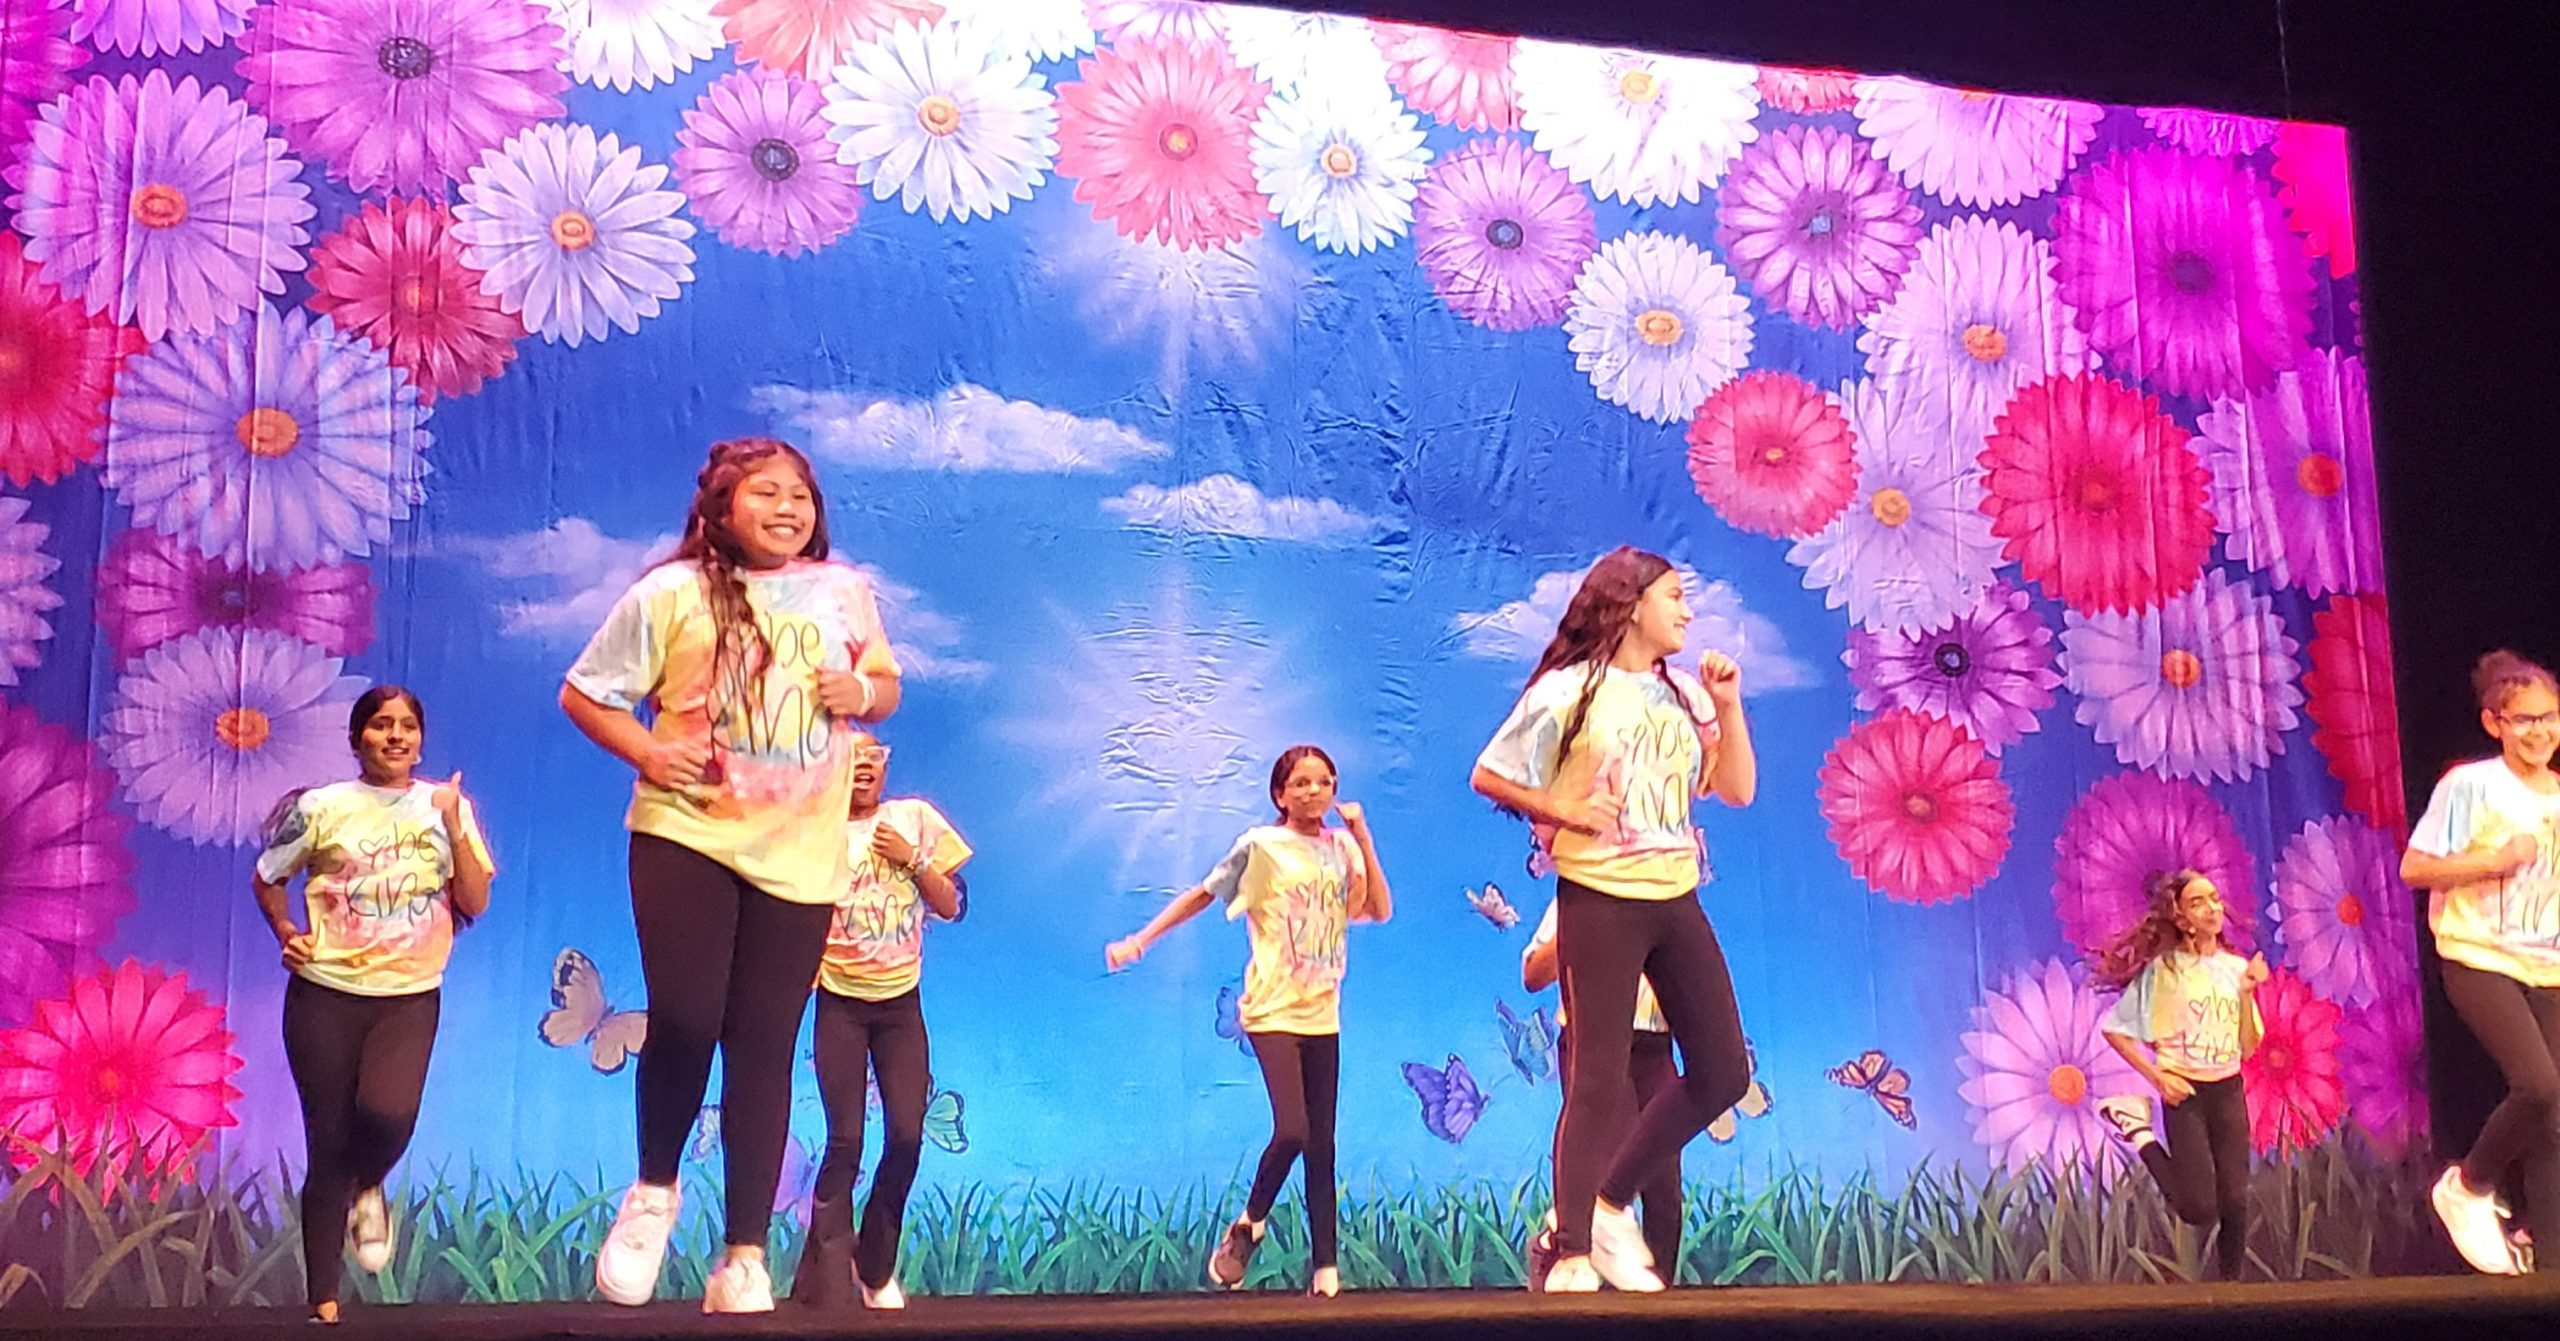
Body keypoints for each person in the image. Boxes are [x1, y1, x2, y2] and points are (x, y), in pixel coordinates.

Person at [561, 437, 900, 1312]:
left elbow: (884, 677)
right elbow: (586, 692)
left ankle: (743, 1251)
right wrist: (646, 748)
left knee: (764, 1043)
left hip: (800, 852)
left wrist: (859, 695)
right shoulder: (671, 593)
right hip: (689, 835)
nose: (788, 508)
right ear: (720, 507)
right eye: (765, 494)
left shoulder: (843, 591)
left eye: (800, 495)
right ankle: (653, 1194)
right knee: (686, 1015)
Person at [1469, 546, 1756, 1293]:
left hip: (1673, 891)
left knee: (1724, 1068)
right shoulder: (1572, 690)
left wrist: (1726, 706)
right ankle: (1570, 1247)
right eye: (1674, 597)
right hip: (1598, 892)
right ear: (1631, 604)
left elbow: (1736, 789)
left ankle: (1606, 1205)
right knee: (1596, 1072)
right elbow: (1489, 772)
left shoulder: (1685, 695)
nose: (1687, 612)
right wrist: (1559, 807)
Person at [1106, 745, 1393, 1298]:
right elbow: (1202, 894)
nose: (1314, 792)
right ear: (1280, 794)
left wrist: (1364, 840)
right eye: (1301, 784)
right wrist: (1142, 940)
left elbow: (1377, 909)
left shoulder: (1341, 850)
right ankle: (1250, 1225)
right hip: (1271, 1010)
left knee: (1321, 1145)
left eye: (1323, 782)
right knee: (1293, 1129)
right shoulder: (1261, 846)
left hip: (1322, 1013)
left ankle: (1326, 1271)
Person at [252, 686, 493, 1325]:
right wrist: (285, 933)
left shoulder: (448, 805)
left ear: (420, 738)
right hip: (325, 995)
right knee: (326, 1144)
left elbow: (474, 901)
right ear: (358, 736)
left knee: (389, 1115)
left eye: (407, 726)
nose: (395, 736)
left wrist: (449, 823)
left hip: (408, 996)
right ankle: (323, 1302)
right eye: (381, 725)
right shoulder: (322, 807)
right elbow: (268, 877)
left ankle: (371, 1185)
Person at [795, 732, 972, 1311]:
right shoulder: (818, 831)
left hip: (900, 1006)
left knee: (906, 1136)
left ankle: (874, 1263)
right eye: (851, 757)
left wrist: (913, 859)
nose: (863, 765)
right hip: (840, 1005)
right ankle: (824, 1283)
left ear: (886, 765)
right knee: (845, 1141)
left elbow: (951, 905)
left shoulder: (915, 818)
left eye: (873, 755)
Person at [2403, 648, 2560, 1275]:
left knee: (2553, 1120)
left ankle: (2550, 1271)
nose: (2539, 732)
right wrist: (2493, 861)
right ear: (2496, 723)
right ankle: (2467, 1186)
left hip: (2547, 965)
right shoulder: (2471, 785)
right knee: (2538, 1083)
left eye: (2548, 718)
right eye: (2523, 720)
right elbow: (2415, 868)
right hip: (2478, 956)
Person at [2093, 869, 2268, 1280]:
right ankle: (2138, 1130)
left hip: (2227, 1088)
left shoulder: (2235, 968)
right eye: (2198, 902)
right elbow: (2114, 1030)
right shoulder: (2164, 971)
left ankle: (2233, 1296)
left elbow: (2247, 1046)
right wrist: (2158, 1078)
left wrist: (2246, 995)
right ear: (2181, 918)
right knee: (2197, 1208)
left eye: (2215, 898)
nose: (2212, 908)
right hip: (2184, 1092)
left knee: (2236, 1200)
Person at [1522, 893, 1682, 1287]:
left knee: (1664, 1192)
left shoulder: (1665, 891)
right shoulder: (1576, 898)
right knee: (1612, 1162)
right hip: (1593, 1040)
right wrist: (1579, 928)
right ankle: (1561, 1244)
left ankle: (1660, 1302)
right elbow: (1532, 974)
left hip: (1657, 1045)